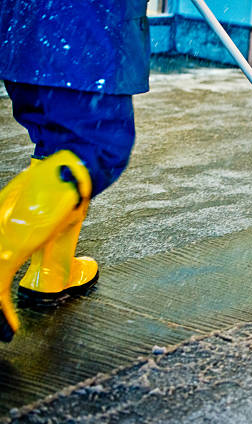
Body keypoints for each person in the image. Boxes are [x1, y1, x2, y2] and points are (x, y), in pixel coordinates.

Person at [0, 1, 151, 342]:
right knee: (96, 145)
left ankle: (52, 271)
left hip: (22, 32)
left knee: (57, 146)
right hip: (81, 33)